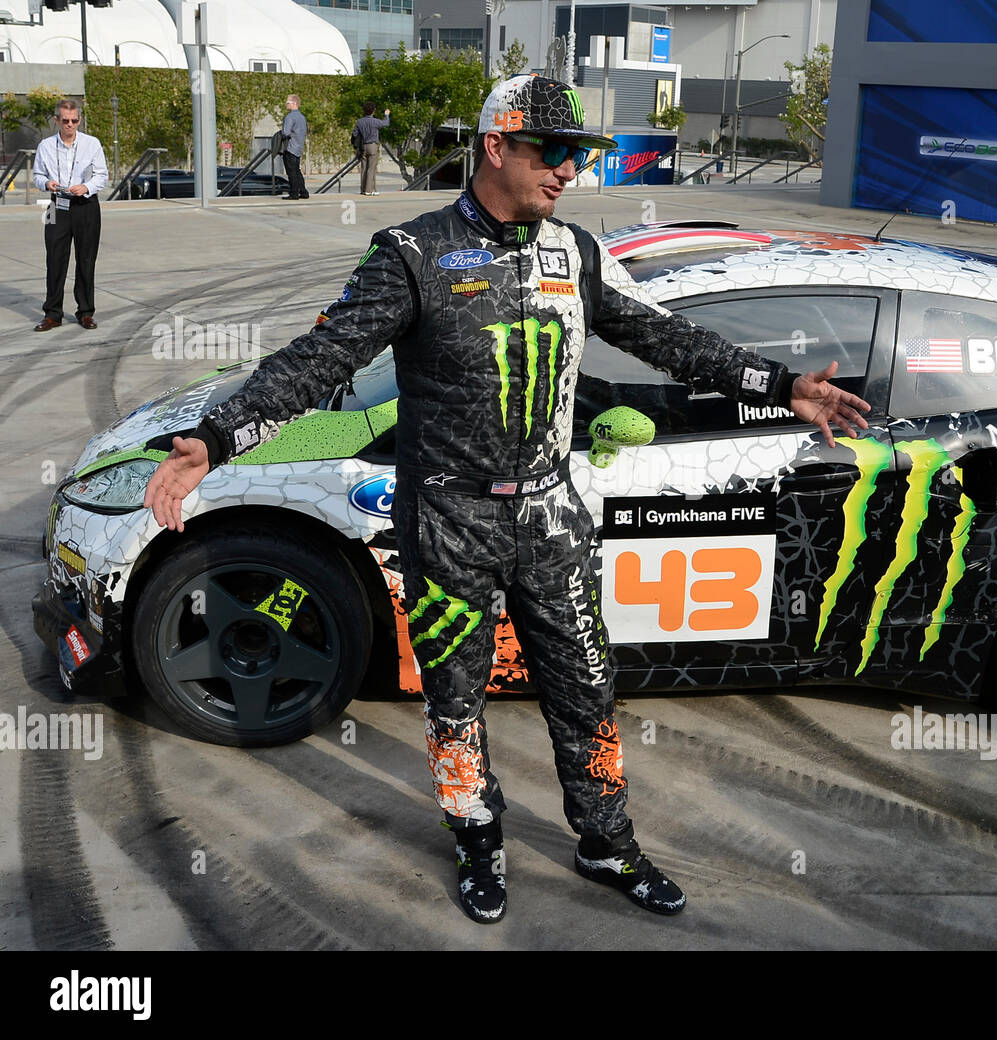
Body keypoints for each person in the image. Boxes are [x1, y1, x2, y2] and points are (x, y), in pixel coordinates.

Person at [143, 74, 870, 925]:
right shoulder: (411, 255)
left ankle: (606, 842)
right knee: (455, 697)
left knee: (587, 690)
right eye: (552, 153)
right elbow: (321, 362)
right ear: (496, 146)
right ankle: (478, 844)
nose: (568, 171)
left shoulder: (574, 252)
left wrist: (781, 386)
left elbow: (670, 340)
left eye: (578, 156)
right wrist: (221, 435)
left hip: (551, 516)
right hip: (447, 520)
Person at [32, 98, 108, 331]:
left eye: (75, 121)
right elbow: (37, 176)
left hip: (86, 205)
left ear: (79, 120)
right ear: (57, 120)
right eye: (65, 121)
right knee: (54, 259)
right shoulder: (45, 146)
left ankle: (85, 312)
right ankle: (52, 314)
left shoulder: (92, 143)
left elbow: (102, 175)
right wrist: (47, 184)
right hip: (57, 205)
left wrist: (86, 187)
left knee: (86, 259)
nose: (70, 125)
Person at [352, 102, 390, 196]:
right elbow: (386, 123)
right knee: (371, 168)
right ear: (373, 111)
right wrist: (387, 115)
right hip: (373, 145)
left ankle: (363, 189)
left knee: (364, 168)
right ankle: (370, 190)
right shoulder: (375, 121)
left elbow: (355, 134)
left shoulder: (359, 122)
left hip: (363, 146)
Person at [281, 95, 309, 200]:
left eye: (287, 102)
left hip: (290, 147)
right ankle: (303, 191)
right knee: (297, 170)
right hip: (299, 147)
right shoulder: (302, 117)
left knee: (291, 172)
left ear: (294, 103)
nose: (286, 104)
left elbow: (286, 132)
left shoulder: (290, 117)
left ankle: (294, 193)